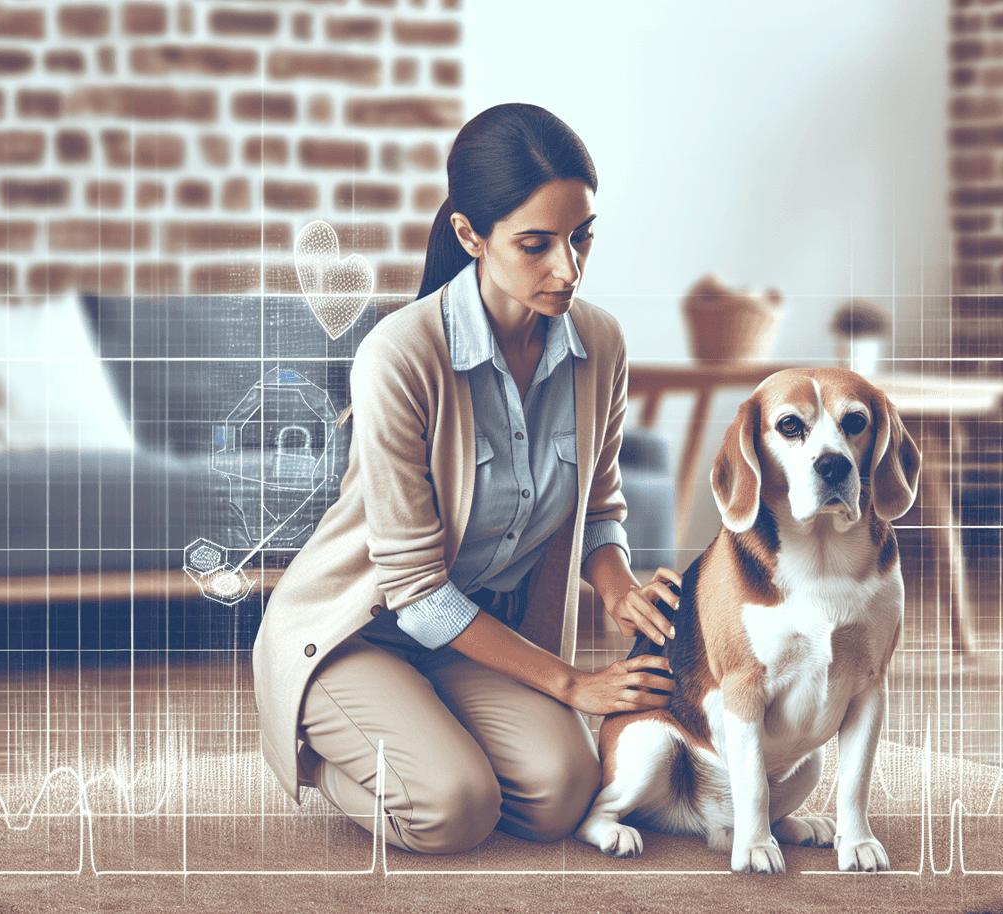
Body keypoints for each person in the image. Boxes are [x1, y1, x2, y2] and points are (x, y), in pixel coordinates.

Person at [252, 103, 682, 856]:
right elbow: (416, 594)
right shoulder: (400, 356)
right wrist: (572, 685)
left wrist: (620, 590)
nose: (568, 269)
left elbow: (599, 508)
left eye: (582, 238)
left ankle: (431, 738)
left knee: (562, 794)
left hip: (474, 637)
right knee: (455, 809)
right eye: (536, 244)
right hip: (362, 631)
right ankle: (318, 745)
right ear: (470, 237)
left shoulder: (600, 344)